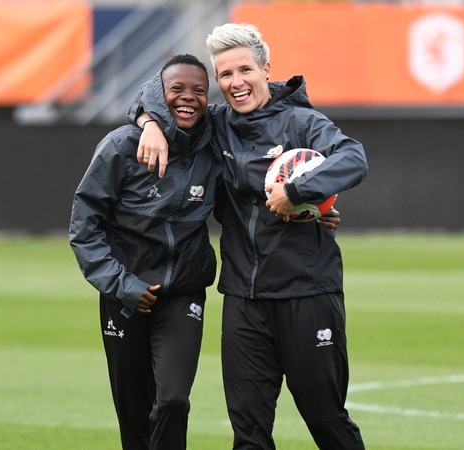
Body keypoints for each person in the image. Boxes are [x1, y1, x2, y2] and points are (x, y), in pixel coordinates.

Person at [131, 23, 367, 450]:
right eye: (225, 74)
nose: (236, 82)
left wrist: (298, 191)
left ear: (266, 70)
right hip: (243, 300)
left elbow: (353, 158)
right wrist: (148, 122)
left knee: (326, 420)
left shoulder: (302, 121)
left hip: (307, 293)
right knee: (248, 433)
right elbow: (156, 91)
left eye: (245, 70)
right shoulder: (216, 124)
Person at [69, 54, 220, 450]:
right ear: (159, 94)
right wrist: (124, 286)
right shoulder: (120, 146)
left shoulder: (214, 146)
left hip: (183, 296)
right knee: (134, 416)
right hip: (124, 297)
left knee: (173, 401)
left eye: (199, 90)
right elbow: (84, 229)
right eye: (177, 89)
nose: (188, 97)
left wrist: (309, 208)